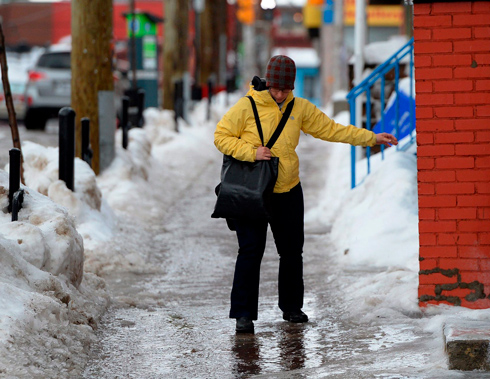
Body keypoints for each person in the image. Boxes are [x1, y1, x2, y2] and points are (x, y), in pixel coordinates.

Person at [214, 55, 398, 334]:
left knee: (291, 252)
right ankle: (243, 313)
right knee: (250, 251)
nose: (280, 95)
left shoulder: (299, 108)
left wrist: (371, 137)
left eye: (285, 90)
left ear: (292, 87)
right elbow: (221, 136)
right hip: (252, 192)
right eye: (276, 89)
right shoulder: (246, 106)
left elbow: (331, 129)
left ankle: (291, 307)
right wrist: (251, 152)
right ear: (268, 83)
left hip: (287, 189)